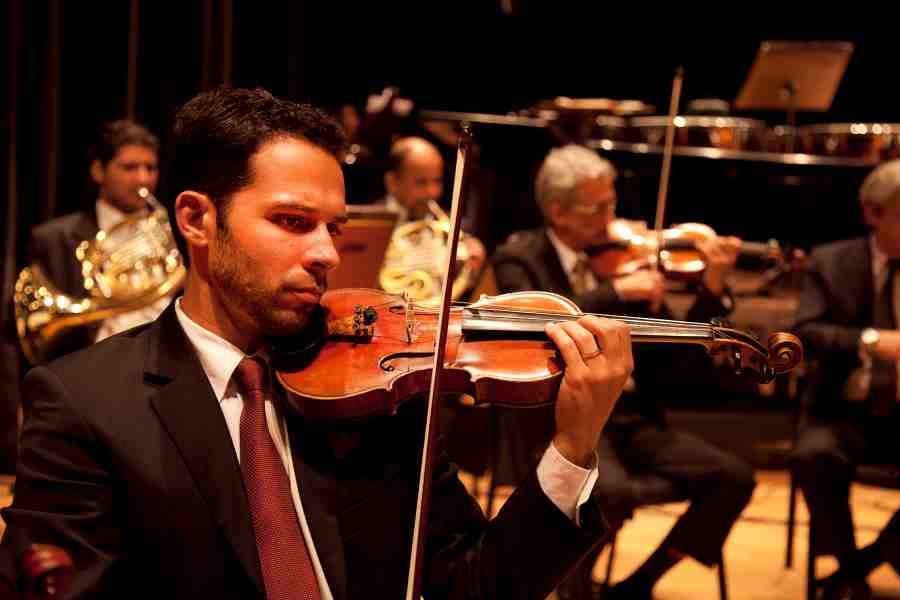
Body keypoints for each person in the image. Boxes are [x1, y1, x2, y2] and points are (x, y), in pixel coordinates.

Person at [1, 87, 635, 599]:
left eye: (334, 227)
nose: (327, 253)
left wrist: (572, 446)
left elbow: (474, 585)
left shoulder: (378, 395)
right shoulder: (82, 405)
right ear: (196, 219)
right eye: (292, 222)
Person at [492, 144, 756, 599]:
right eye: (600, 207)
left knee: (733, 477)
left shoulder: (626, 260)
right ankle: (571, 586)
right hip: (564, 419)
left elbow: (677, 367)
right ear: (558, 211)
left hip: (632, 417)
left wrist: (709, 293)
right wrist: (615, 291)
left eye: (613, 203)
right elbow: (542, 323)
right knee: (607, 494)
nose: (614, 218)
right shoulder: (519, 258)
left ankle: (636, 586)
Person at [788, 159, 900, 600]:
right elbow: (805, 333)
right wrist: (873, 341)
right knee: (813, 457)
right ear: (872, 213)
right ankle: (851, 573)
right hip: (841, 410)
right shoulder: (831, 262)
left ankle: (857, 567)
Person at [18, 119, 165, 364]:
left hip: (161, 366)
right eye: (129, 168)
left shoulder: (172, 234)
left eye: (151, 168)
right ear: (98, 171)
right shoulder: (54, 238)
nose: (143, 179)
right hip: (88, 371)